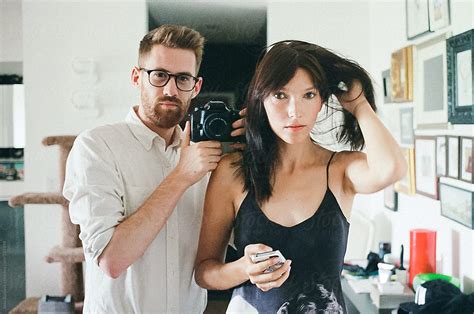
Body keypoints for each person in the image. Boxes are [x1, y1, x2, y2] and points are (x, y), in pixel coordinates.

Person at [194, 40, 407, 313]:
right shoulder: (233, 171)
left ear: (322, 100)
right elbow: (205, 271)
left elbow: (392, 168)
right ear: (261, 99)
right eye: (280, 95)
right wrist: (243, 268)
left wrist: (358, 103)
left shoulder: (339, 170)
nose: (295, 111)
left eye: (308, 95)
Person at [63, 24, 245, 313]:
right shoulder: (96, 146)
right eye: (159, 75)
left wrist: (259, 153)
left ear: (195, 87)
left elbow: (245, 239)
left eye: (183, 78)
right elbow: (112, 261)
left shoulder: (210, 159)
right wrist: (182, 176)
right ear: (137, 78)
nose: (171, 89)